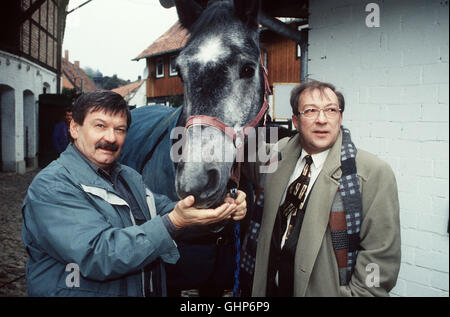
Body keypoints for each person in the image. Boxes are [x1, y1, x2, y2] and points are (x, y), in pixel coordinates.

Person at [21, 90, 246, 297]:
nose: (111, 137)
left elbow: (167, 209)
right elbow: (99, 255)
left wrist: (219, 208)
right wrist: (174, 222)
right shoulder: (53, 186)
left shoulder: (127, 177)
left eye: (119, 129)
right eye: (100, 126)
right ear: (74, 129)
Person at [250, 80, 401, 296]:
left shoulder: (372, 173)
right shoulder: (279, 154)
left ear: (340, 118)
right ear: (296, 120)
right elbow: (238, 152)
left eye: (331, 110)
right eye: (310, 111)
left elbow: (380, 258)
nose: (322, 120)